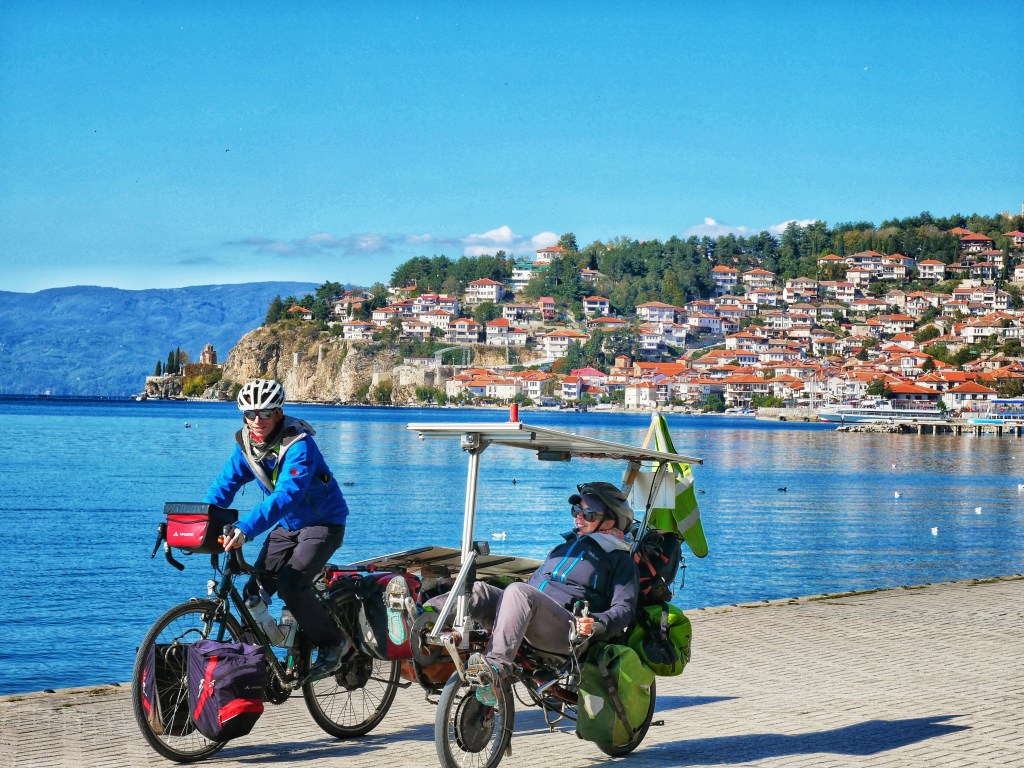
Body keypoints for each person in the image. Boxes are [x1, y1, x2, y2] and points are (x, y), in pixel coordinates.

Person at [428, 481, 639, 706]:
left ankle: (496, 667)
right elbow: (533, 584)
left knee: (519, 591)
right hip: (532, 613)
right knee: (479, 590)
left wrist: (597, 622)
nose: (578, 517)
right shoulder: (564, 548)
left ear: (610, 520)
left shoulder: (620, 560)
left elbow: (624, 609)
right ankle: (422, 620)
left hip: (567, 630)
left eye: (588, 514)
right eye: (576, 510)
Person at [205, 378, 350, 678]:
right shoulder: (247, 445)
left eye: (266, 413)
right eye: (250, 413)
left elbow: (287, 495)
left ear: (279, 413)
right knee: (253, 593)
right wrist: (203, 520)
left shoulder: (299, 445)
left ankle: (334, 642)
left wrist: (245, 527)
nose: (257, 420)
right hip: (287, 527)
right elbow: (224, 486)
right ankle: (253, 662)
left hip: (323, 524)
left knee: (290, 584)